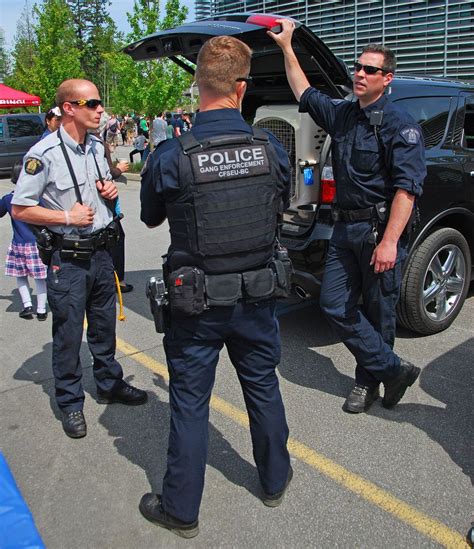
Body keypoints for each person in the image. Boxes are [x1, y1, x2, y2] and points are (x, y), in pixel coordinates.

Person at [138, 35, 292, 538]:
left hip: (195, 305)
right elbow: (280, 204)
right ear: (242, 88)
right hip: (256, 298)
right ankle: (275, 480)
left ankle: (182, 510)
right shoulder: (269, 148)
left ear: (197, 84)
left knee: (188, 403)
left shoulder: (170, 155)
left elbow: (151, 216)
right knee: (263, 387)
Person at [269, 20, 426, 413]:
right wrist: (288, 46)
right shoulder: (343, 114)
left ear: (387, 79)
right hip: (344, 227)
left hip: (377, 231)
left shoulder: (400, 126)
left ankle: (367, 382)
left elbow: (406, 191)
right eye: (358, 67)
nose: (359, 73)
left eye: (369, 69)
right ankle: (394, 369)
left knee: (379, 311)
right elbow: (303, 91)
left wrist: (390, 241)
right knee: (334, 304)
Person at [11, 79, 147, 439]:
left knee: (104, 328)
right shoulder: (43, 155)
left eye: (100, 103)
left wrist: (111, 192)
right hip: (68, 259)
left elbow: (103, 195)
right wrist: (66, 218)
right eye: (93, 103)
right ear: (68, 108)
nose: (100, 109)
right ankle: (70, 401)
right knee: (70, 334)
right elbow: (21, 208)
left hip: (102, 254)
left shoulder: (95, 148)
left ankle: (108, 384)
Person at [1, 187, 48, 320]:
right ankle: (41, 309)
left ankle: (27, 306)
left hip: (18, 244)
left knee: (20, 276)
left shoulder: (8, 198)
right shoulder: (37, 197)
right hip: (36, 243)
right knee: (40, 278)